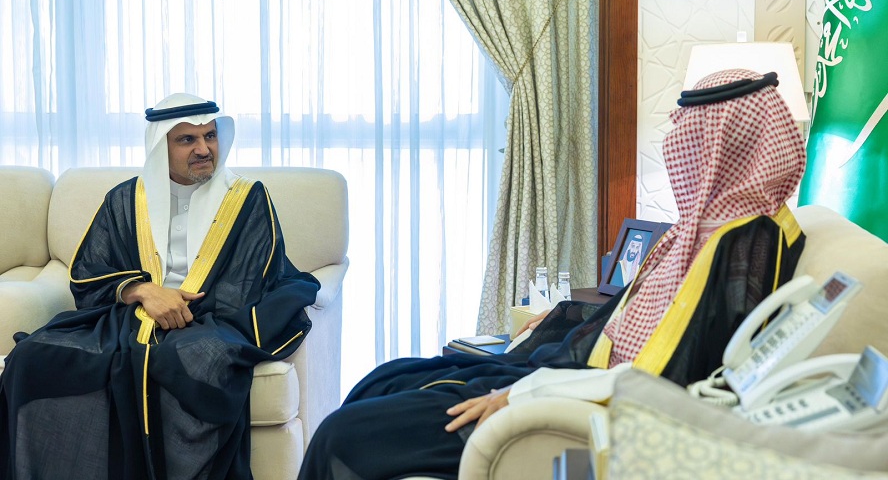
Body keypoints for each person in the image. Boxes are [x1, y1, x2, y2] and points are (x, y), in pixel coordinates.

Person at [297, 68, 809, 480]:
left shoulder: (746, 245)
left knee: (344, 435)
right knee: (386, 379)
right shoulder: (700, 229)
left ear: (725, 141)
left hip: (588, 401)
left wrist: (521, 395)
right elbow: (628, 321)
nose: (674, 141)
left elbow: (681, 379)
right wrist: (553, 329)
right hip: (574, 375)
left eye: (688, 130)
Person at [0, 93, 321, 479]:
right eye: (187, 139)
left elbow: (252, 277)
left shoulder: (248, 199)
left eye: (210, 136)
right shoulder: (125, 200)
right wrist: (142, 291)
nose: (203, 149)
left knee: (192, 361)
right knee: (31, 357)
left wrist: (183, 308)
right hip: (128, 317)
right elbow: (87, 271)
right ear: (160, 146)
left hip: (210, 320)